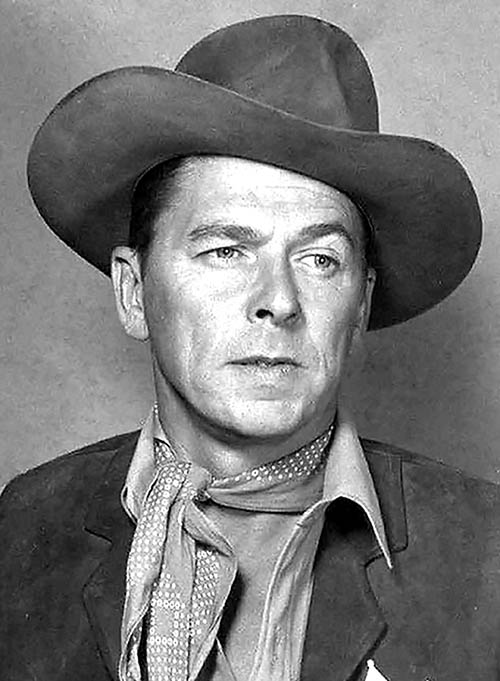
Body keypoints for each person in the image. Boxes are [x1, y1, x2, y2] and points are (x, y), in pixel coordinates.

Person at [1, 13, 499, 681]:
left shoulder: (487, 552)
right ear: (134, 291)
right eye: (227, 250)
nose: (279, 300)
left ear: (360, 307)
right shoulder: (22, 530)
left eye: (320, 259)